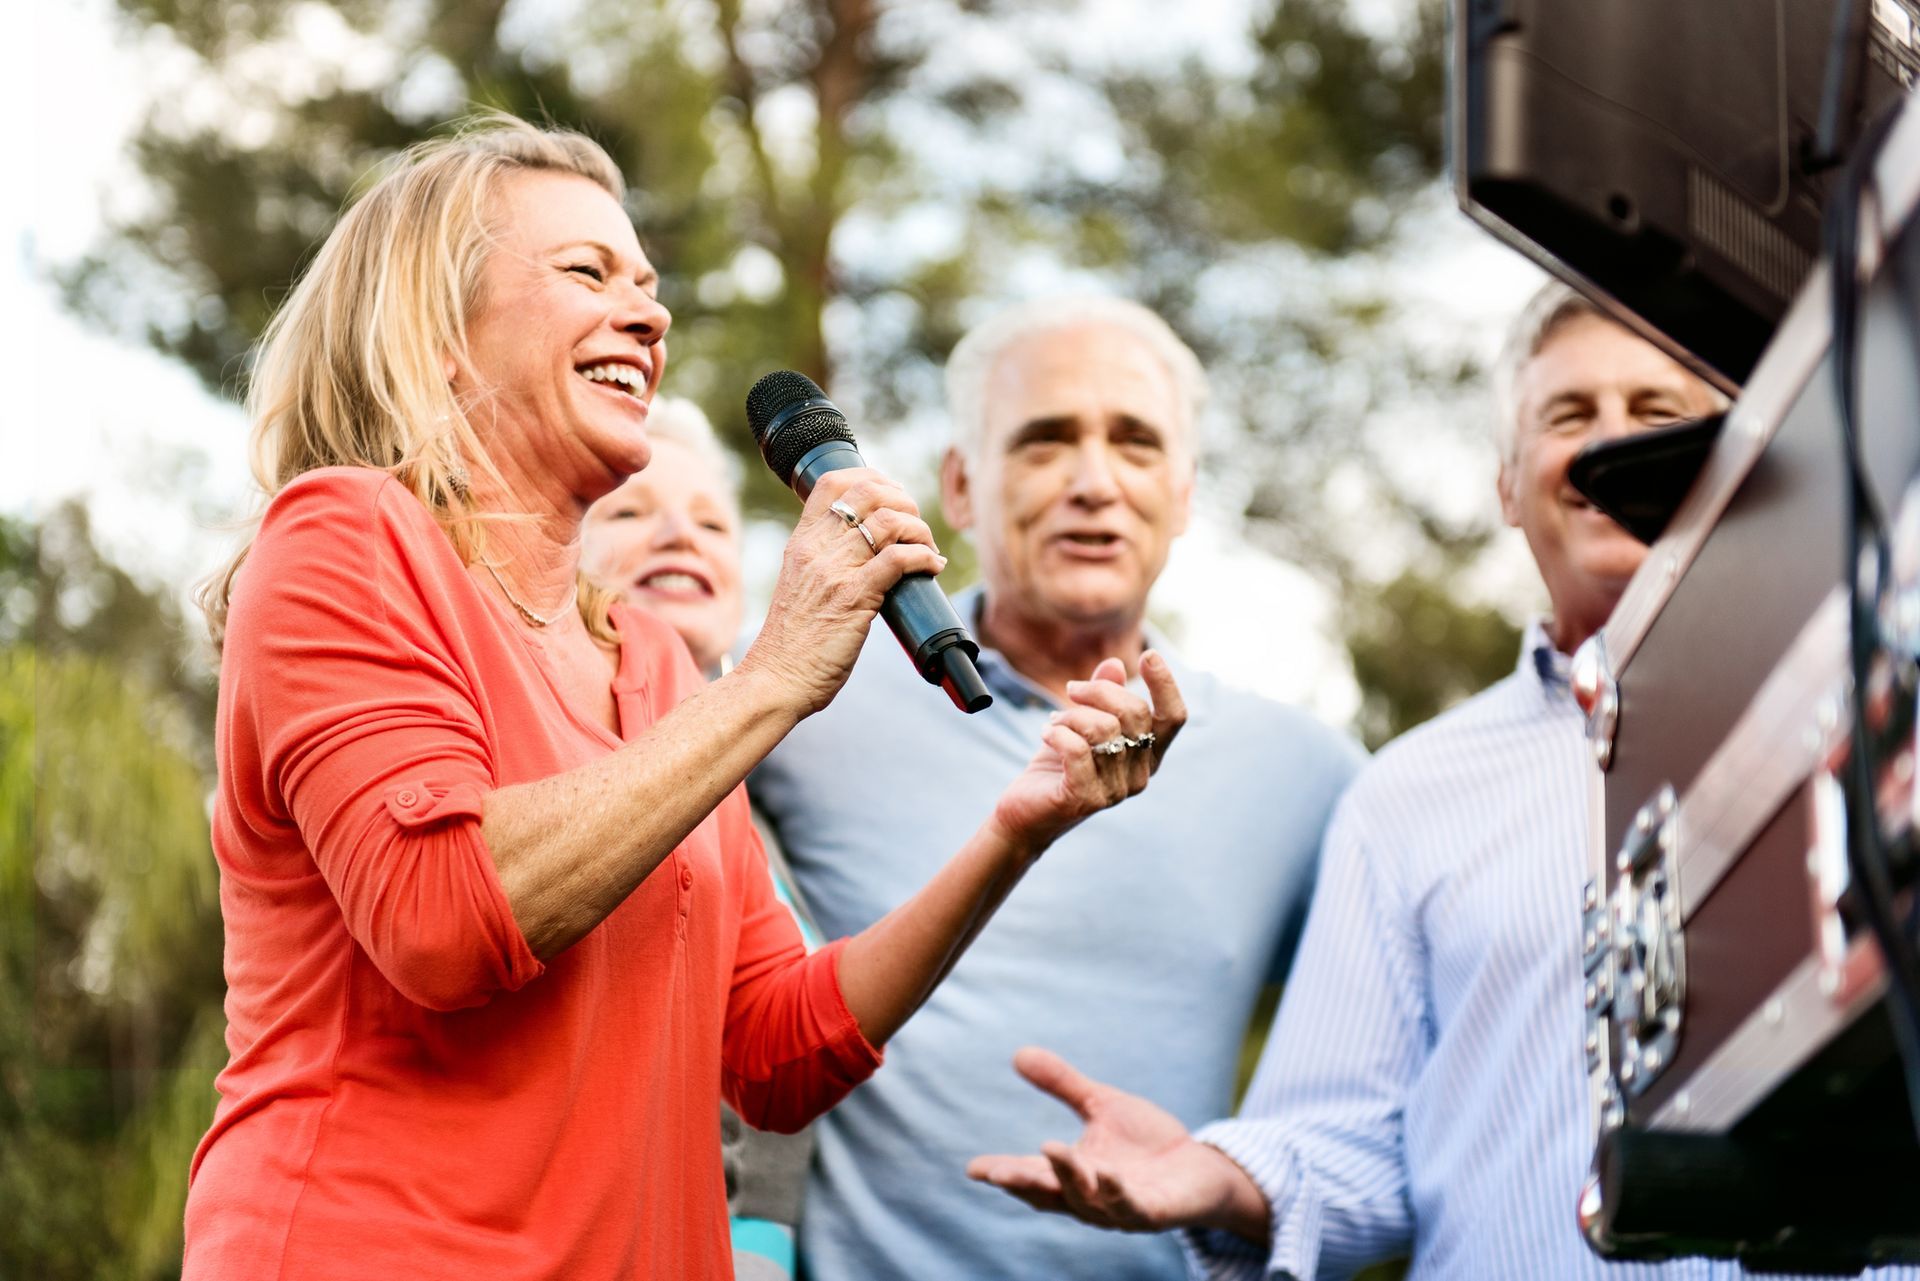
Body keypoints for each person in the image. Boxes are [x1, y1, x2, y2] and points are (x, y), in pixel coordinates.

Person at [183, 115, 1187, 1281]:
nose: (650, 316)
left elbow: (774, 1050)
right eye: (586, 272)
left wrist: (1019, 827)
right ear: (436, 331)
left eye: (651, 285)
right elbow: (444, 917)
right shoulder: (343, 538)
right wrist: (772, 677)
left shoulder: (653, 664)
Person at [966, 282, 1778, 1279]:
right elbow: (1360, 1141)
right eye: (1570, 416)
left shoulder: (1873, 715)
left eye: (1655, 415)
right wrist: (1218, 1177)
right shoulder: (1406, 797)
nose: (1608, 445)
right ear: (1508, 487)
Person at [749, 296, 1363, 1280]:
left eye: (1134, 443)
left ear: (1184, 489)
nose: (1093, 483)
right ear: (960, 483)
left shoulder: (1308, 774)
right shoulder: (798, 706)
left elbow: (1377, 1101)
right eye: (1043, 442)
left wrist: (1234, 1182)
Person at [579, 396, 821, 1281]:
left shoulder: (769, 800)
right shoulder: (545, 775)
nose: (679, 534)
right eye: (629, 509)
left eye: (713, 522)